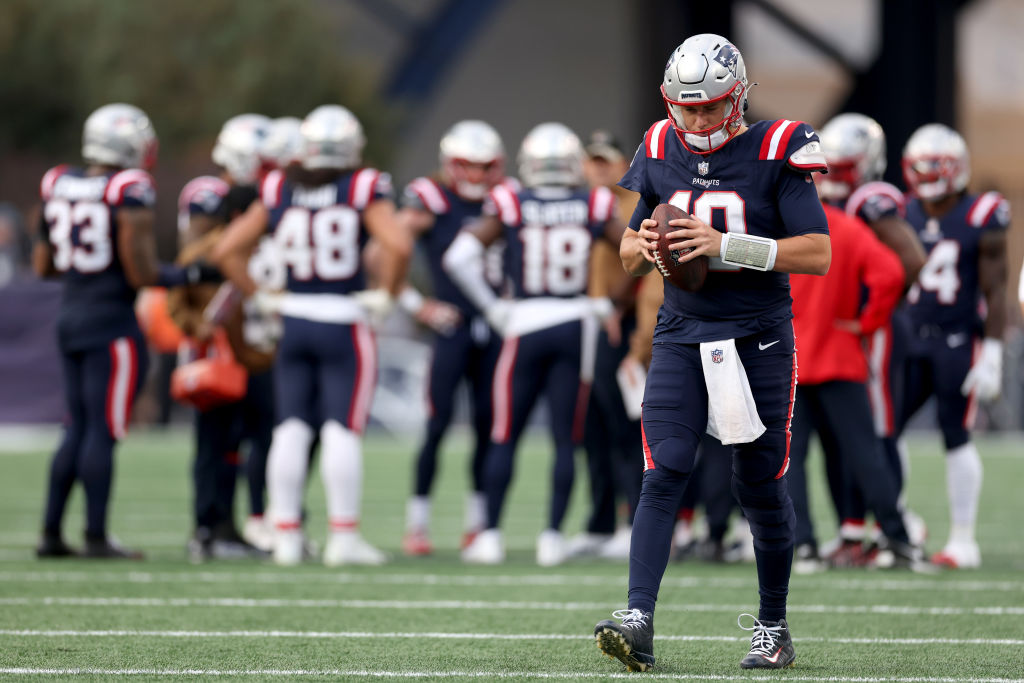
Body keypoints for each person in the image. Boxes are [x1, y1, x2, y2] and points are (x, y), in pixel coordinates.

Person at [592, 34, 831, 672]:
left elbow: (818, 252)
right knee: (664, 466)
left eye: (710, 107)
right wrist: (645, 245)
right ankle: (638, 618)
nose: (697, 121)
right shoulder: (659, 143)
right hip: (681, 333)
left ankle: (773, 625)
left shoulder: (779, 144)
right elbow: (626, 255)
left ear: (738, 96)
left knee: (757, 484)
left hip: (758, 336)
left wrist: (726, 246)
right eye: (687, 107)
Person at [212, 104, 412, 566]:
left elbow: (227, 250)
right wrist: (387, 293)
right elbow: (399, 243)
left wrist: (260, 295)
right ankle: (342, 538)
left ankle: (285, 535)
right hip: (343, 317)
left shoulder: (280, 185)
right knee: (342, 427)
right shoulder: (360, 185)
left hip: (294, 317)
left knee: (291, 427)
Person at [34, 103, 222, 559]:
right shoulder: (128, 188)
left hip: (71, 313)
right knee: (104, 429)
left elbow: (45, 266)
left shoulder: (58, 180)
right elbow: (140, 273)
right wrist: (191, 276)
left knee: (75, 427)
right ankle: (96, 536)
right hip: (111, 323)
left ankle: (52, 534)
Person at [443, 122, 622, 567]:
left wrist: (492, 308)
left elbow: (458, 257)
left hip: (523, 322)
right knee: (566, 438)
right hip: (574, 322)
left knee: (505, 434)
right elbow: (636, 250)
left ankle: (491, 535)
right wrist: (606, 301)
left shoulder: (511, 201)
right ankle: (551, 537)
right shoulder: (594, 202)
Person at [815, 113, 928, 563]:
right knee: (844, 435)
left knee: (877, 431)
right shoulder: (830, 201)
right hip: (842, 332)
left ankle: (889, 528)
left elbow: (911, 260)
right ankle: (853, 530)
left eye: (844, 168)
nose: (834, 178)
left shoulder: (871, 199)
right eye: (829, 168)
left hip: (873, 331)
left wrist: (869, 316)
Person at [899, 123, 1010, 569]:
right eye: (919, 166)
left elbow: (997, 289)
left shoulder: (982, 214)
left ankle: (964, 539)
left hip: (958, 341)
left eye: (934, 166)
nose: (926, 175)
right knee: (885, 432)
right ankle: (903, 521)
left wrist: (995, 354)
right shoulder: (901, 211)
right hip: (909, 336)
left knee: (955, 435)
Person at [788, 202, 922, 571]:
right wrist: (867, 323)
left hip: (789, 357)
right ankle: (896, 537)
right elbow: (890, 273)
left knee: (791, 460)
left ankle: (804, 546)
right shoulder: (847, 227)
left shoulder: (777, 221)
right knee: (866, 454)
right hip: (840, 355)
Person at [168, 113, 277, 561]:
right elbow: (197, 261)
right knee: (213, 437)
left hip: (248, 336)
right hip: (214, 333)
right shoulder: (208, 196)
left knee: (243, 435)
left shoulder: (260, 197)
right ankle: (206, 527)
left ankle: (228, 525)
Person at [398, 120, 509, 556]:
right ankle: (417, 524)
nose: (478, 177)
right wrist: (416, 304)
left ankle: (477, 524)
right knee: (437, 423)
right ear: (450, 164)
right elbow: (386, 251)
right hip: (451, 326)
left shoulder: (508, 197)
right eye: (469, 166)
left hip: (496, 325)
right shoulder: (429, 198)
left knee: (487, 425)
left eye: (486, 167)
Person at [569, 130, 643, 560]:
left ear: (622, 166)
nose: (598, 169)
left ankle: (631, 521)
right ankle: (599, 522)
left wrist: (618, 305)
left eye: (606, 161)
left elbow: (648, 261)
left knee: (624, 428)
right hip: (588, 322)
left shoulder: (633, 204)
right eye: (592, 161)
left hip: (624, 325)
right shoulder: (583, 204)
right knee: (592, 429)